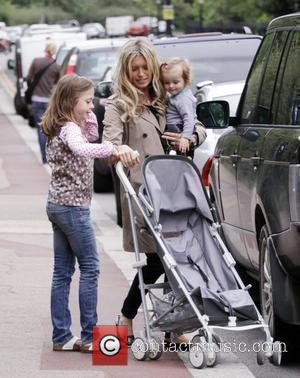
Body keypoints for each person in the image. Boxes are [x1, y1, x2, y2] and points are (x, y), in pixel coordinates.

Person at [102, 38, 206, 346]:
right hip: (141, 191)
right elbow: (110, 143)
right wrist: (120, 150)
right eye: (134, 68)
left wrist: (192, 138)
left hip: (174, 188)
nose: (140, 73)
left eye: (145, 66)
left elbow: (195, 122)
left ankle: (169, 324)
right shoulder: (119, 104)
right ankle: (130, 315)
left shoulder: (169, 95)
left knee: (178, 254)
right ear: (125, 70)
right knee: (157, 259)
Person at [41, 74, 133, 353]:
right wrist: (115, 148)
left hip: (57, 205)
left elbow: (89, 135)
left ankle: (61, 336)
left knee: (62, 272)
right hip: (72, 209)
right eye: (87, 101)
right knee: (90, 269)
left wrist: (89, 114)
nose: (91, 106)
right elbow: (84, 147)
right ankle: (89, 335)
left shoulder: (59, 126)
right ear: (70, 101)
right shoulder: (69, 129)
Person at [27, 41, 60, 164]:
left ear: (45, 49)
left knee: (40, 130)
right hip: (49, 101)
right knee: (50, 129)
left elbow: (29, 77)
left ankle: (44, 158)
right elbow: (58, 82)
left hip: (36, 99)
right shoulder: (56, 66)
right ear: (54, 51)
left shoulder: (36, 61)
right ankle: (51, 155)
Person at [161, 57, 198, 156]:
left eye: (175, 82)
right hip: (177, 131)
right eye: (167, 83)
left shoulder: (183, 99)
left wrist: (185, 138)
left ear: (185, 80)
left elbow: (189, 119)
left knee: (182, 162)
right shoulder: (176, 96)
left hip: (181, 132)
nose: (171, 86)